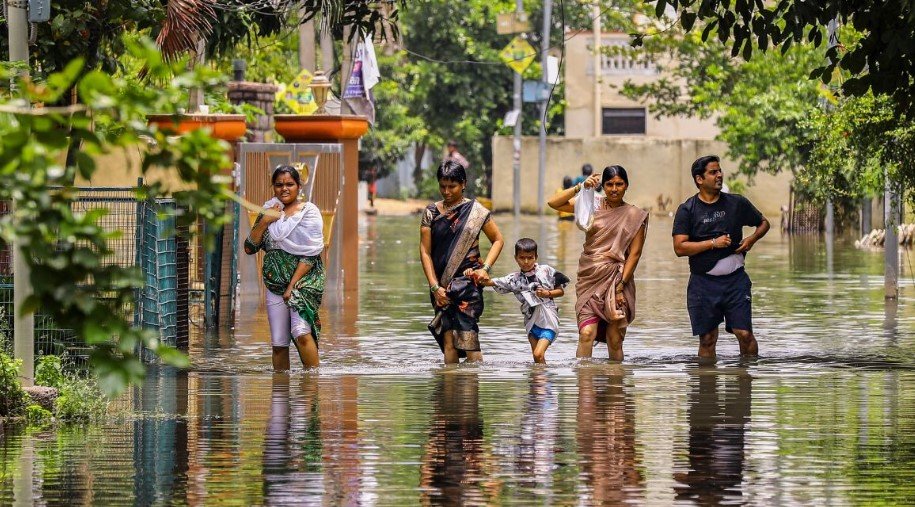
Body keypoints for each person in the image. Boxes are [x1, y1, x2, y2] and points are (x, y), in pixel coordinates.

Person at [672, 155, 770, 360]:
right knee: (707, 338)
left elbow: (763, 223)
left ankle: (746, 381)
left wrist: (751, 239)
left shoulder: (737, 203)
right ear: (699, 179)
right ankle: (707, 388)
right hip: (702, 283)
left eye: (719, 171)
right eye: (713, 172)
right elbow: (680, 248)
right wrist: (712, 243)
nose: (719, 175)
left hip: (736, 281)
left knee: (744, 334)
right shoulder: (687, 210)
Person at [548, 165, 649, 361]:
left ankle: (615, 386)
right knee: (586, 333)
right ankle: (584, 383)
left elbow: (634, 255)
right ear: (603, 185)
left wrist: (620, 286)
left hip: (618, 279)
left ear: (626, 185)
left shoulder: (635, 216)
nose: (614, 188)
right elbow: (553, 203)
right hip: (590, 278)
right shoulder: (591, 205)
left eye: (619, 184)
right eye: (609, 184)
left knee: (615, 339)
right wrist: (580, 187)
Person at [419, 160, 504, 364]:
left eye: (452, 186)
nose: (446, 191)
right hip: (441, 288)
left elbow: (498, 240)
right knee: (449, 344)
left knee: (468, 342)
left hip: (468, 286)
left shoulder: (476, 212)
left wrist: (485, 269)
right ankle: (450, 393)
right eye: (442, 186)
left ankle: (469, 393)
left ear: (463, 184)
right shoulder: (431, 213)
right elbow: (425, 251)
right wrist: (434, 287)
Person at [245, 165, 325, 370]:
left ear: (299, 186)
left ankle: (311, 387)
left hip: (303, 282)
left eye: (290, 184)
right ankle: (280, 392)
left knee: (301, 333)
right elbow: (249, 247)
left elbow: (311, 253)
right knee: (279, 344)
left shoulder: (309, 212)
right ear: (273, 187)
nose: (284, 189)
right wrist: (264, 222)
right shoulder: (270, 211)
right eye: (279, 185)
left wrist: (291, 287)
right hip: (274, 284)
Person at [470, 238, 570, 364]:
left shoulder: (546, 271)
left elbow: (561, 291)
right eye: (522, 258)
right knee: (537, 358)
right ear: (516, 258)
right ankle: (541, 382)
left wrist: (547, 293)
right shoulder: (514, 279)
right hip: (531, 322)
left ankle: (542, 382)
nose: (526, 262)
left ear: (536, 257)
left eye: (530, 257)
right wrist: (473, 274)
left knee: (538, 354)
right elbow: (490, 282)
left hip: (549, 320)